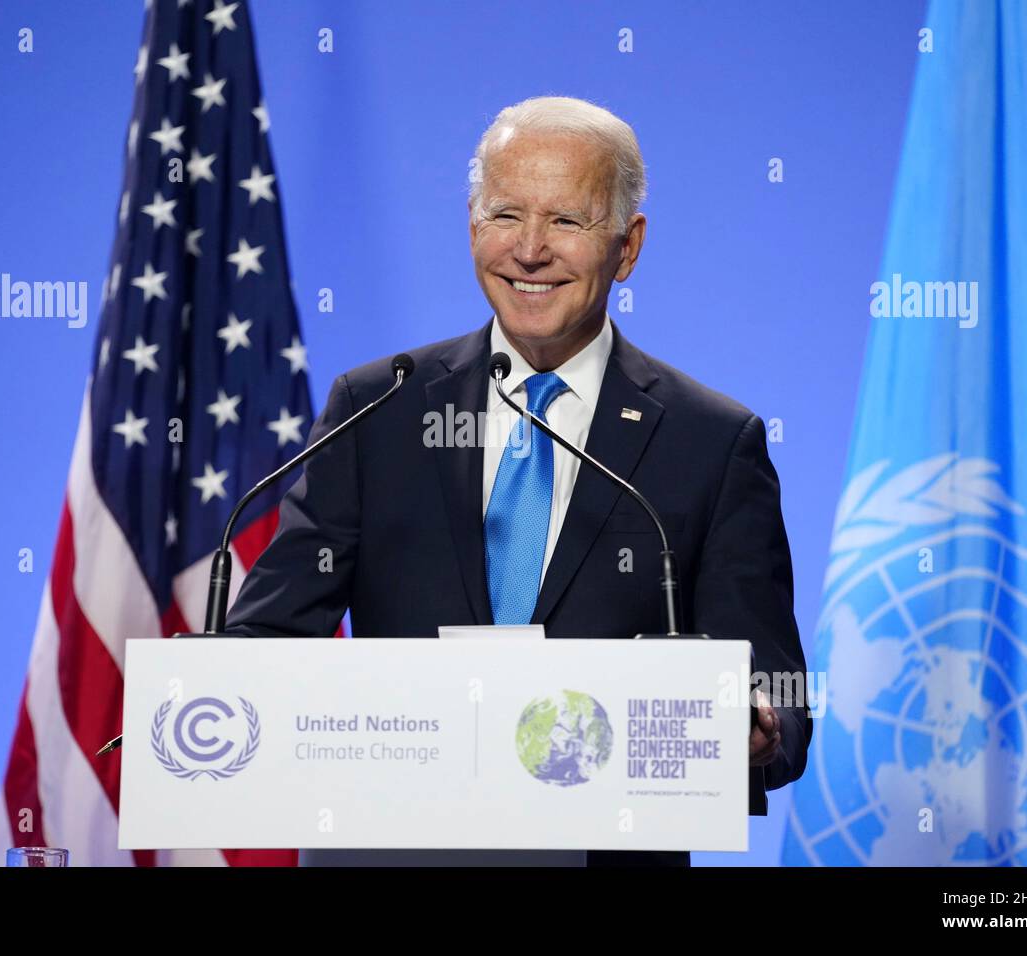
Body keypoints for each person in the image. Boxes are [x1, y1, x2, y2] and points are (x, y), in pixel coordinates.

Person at [226, 95, 811, 867]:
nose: (530, 250)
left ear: (628, 247)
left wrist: (758, 722)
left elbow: (778, 689)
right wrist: (213, 697)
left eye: (567, 221)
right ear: (472, 226)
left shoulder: (711, 441)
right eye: (505, 215)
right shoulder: (378, 410)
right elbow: (269, 635)